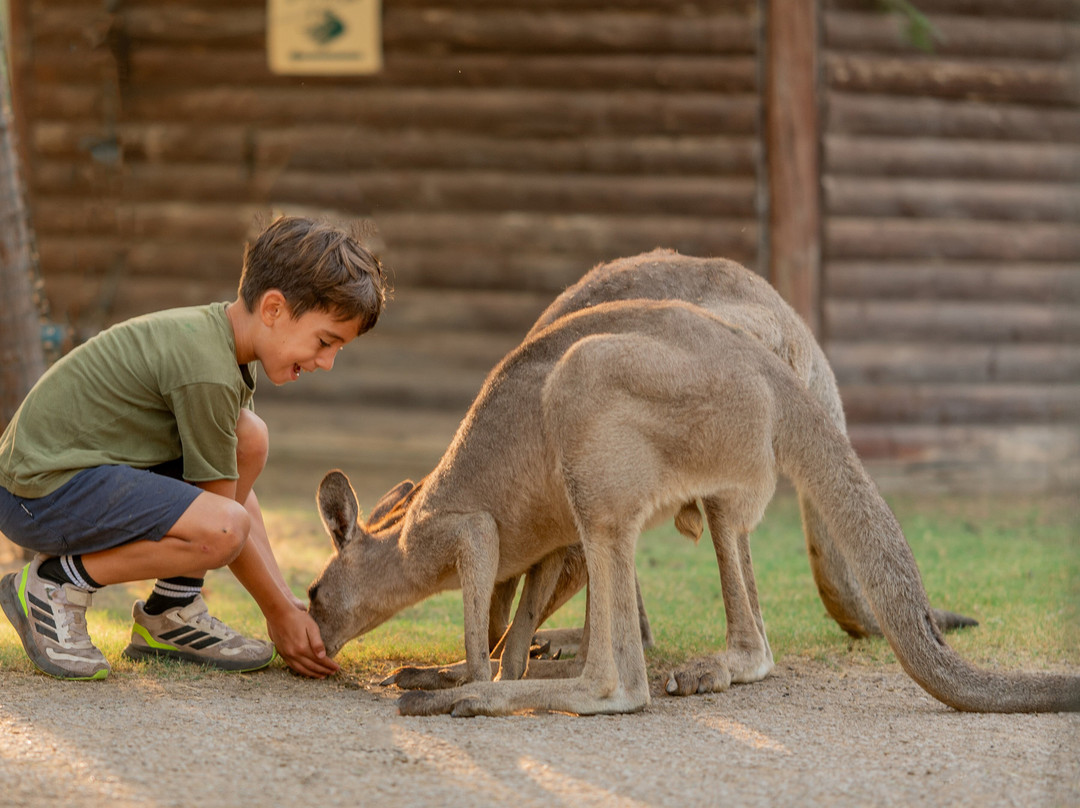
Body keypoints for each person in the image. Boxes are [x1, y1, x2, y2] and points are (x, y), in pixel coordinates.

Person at [0, 215, 385, 681]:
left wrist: (284, 603)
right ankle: (55, 584)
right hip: (39, 495)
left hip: (73, 482)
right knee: (222, 529)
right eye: (325, 342)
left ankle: (172, 613)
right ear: (274, 309)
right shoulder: (207, 368)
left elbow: (231, 501)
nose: (326, 362)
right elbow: (224, 528)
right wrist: (279, 614)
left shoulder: (224, 348)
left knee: (249, 439)